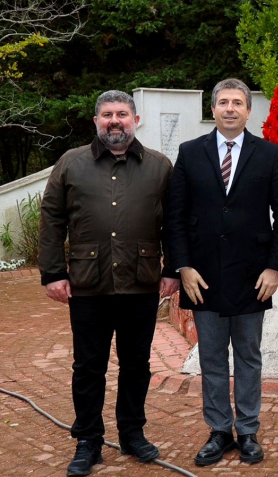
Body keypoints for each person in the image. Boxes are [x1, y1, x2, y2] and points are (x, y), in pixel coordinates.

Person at [38, 90, 179, 476]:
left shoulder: (159, 166)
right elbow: (51, 219)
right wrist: (52, 273)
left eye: (122, 114)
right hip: (88, 284)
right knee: (88, 367)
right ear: (96, 121)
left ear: (135, 119)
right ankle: (88, 441)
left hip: (142, 281)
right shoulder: (71, 163)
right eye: (106, 115)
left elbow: (175, 224)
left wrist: (173, 269)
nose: (114, 121)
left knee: (136, 365)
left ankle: (133, 434)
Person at [167, 78, 278, 466]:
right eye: (223, 102)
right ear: (213, 109)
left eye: (237, 102)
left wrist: (275, 267)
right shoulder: (190, 153)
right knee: (211, 356)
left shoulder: (269, 154)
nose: (229, 109)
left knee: (248, 355)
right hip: (201, 275)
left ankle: (249, 431)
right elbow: (174, 216)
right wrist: (183, 266)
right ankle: (220, 430)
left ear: (248, 110)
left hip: (252, 275)